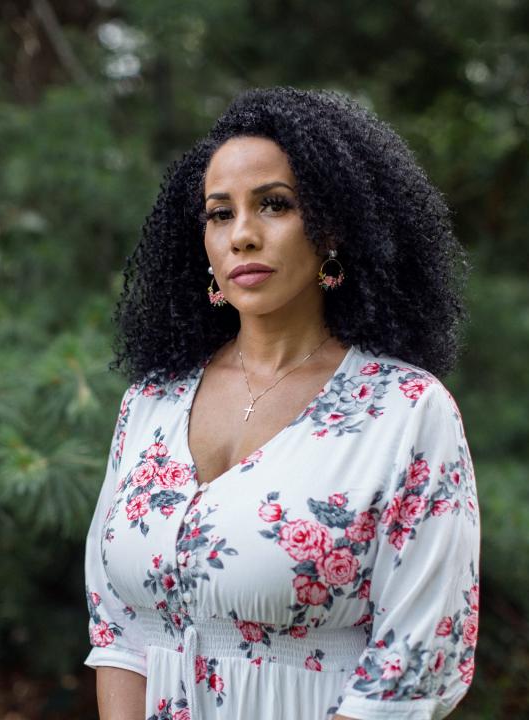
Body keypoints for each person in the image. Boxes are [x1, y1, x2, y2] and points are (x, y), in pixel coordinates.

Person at [83, 86, 480, 720]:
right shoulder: (150, 401)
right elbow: (119, 632)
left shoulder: (405, 411)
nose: (242, 235)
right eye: (219, 213)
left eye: (274, 205)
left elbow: (411, 666)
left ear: (332, 228)